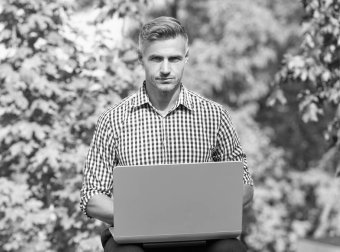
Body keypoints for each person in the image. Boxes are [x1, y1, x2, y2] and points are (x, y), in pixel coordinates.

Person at [80, 16, 254, 252]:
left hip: (201, 234)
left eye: (174, 59)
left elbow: (244, 185)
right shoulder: (113, 119)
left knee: (231, 250)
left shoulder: (214, 116)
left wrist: (200, 212)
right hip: (135, 239)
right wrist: (145, 217)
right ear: (141, 59)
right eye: (156, 59)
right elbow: (92, 196)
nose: (165, 69)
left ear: (186, 58)